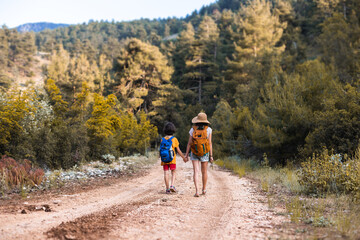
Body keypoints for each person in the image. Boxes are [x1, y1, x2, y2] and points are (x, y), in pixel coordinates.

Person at [185, 112, 213, 197]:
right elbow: (209, 143)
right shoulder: (208, 130)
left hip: (194, 152)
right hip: (205, 153)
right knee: (204, 172)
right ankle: (204, 190)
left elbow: (189, 143)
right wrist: (211, 155)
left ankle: (197, 191)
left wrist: (186, 155)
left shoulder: (192, 129)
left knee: (196, 172)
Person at [160, 122, 187, 194]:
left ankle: (167, 189)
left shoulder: (162, 139)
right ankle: (172, 185)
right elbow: (178, 150)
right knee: (173, 172)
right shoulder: (174, 139)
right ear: (173, 130)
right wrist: (183, 157)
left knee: (166, 173)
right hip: (172, 160)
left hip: (164, 159)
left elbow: (160, 150)